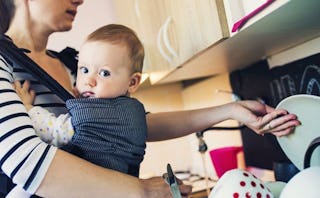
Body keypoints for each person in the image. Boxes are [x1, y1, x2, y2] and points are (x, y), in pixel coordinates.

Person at [0, 0, 300, 197]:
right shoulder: (3, 61)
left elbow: (135, 124)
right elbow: (25, 160)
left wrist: (230, 110)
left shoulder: (74, 65)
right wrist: (141, 190)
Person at [9, 23, 148, 198]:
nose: (89, 81)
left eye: (104, 73)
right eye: (84, 70)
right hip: (113, 186)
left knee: (24, 188)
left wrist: (28, 108)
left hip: (90, 188)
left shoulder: (95, 116)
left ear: (132, 82)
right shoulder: (132, 110)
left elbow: (55, 130)